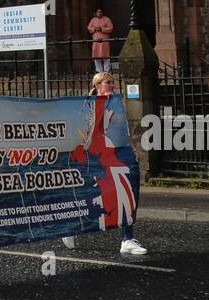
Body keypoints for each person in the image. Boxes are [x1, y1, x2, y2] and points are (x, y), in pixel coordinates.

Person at [62, 72, 146, 255]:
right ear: (98, 85)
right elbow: (94, 130)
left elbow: (123, 129)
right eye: (107, 82)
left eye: (113, 82)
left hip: (122, 151)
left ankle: (127, 239)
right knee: (98, 196)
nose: (112, 85)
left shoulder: (117, 102)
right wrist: (103, 104)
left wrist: (132, 148)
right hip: (103, 154)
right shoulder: (92, 104)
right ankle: (72, 226)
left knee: (130, 194)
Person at [87, 8, 115, 73]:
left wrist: (102, 29)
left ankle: (106, 71)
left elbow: (111, 28)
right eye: (98, 12)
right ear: (96, 13)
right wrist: (94, 29)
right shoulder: (93, 20)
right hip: (96, 40)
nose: (99, 13)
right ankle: (99, 71)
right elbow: (89, 28)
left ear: (102, 12)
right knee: (96, 56)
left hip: (104, 40)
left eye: (100, 12)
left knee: (105, 55)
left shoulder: (107, 19)